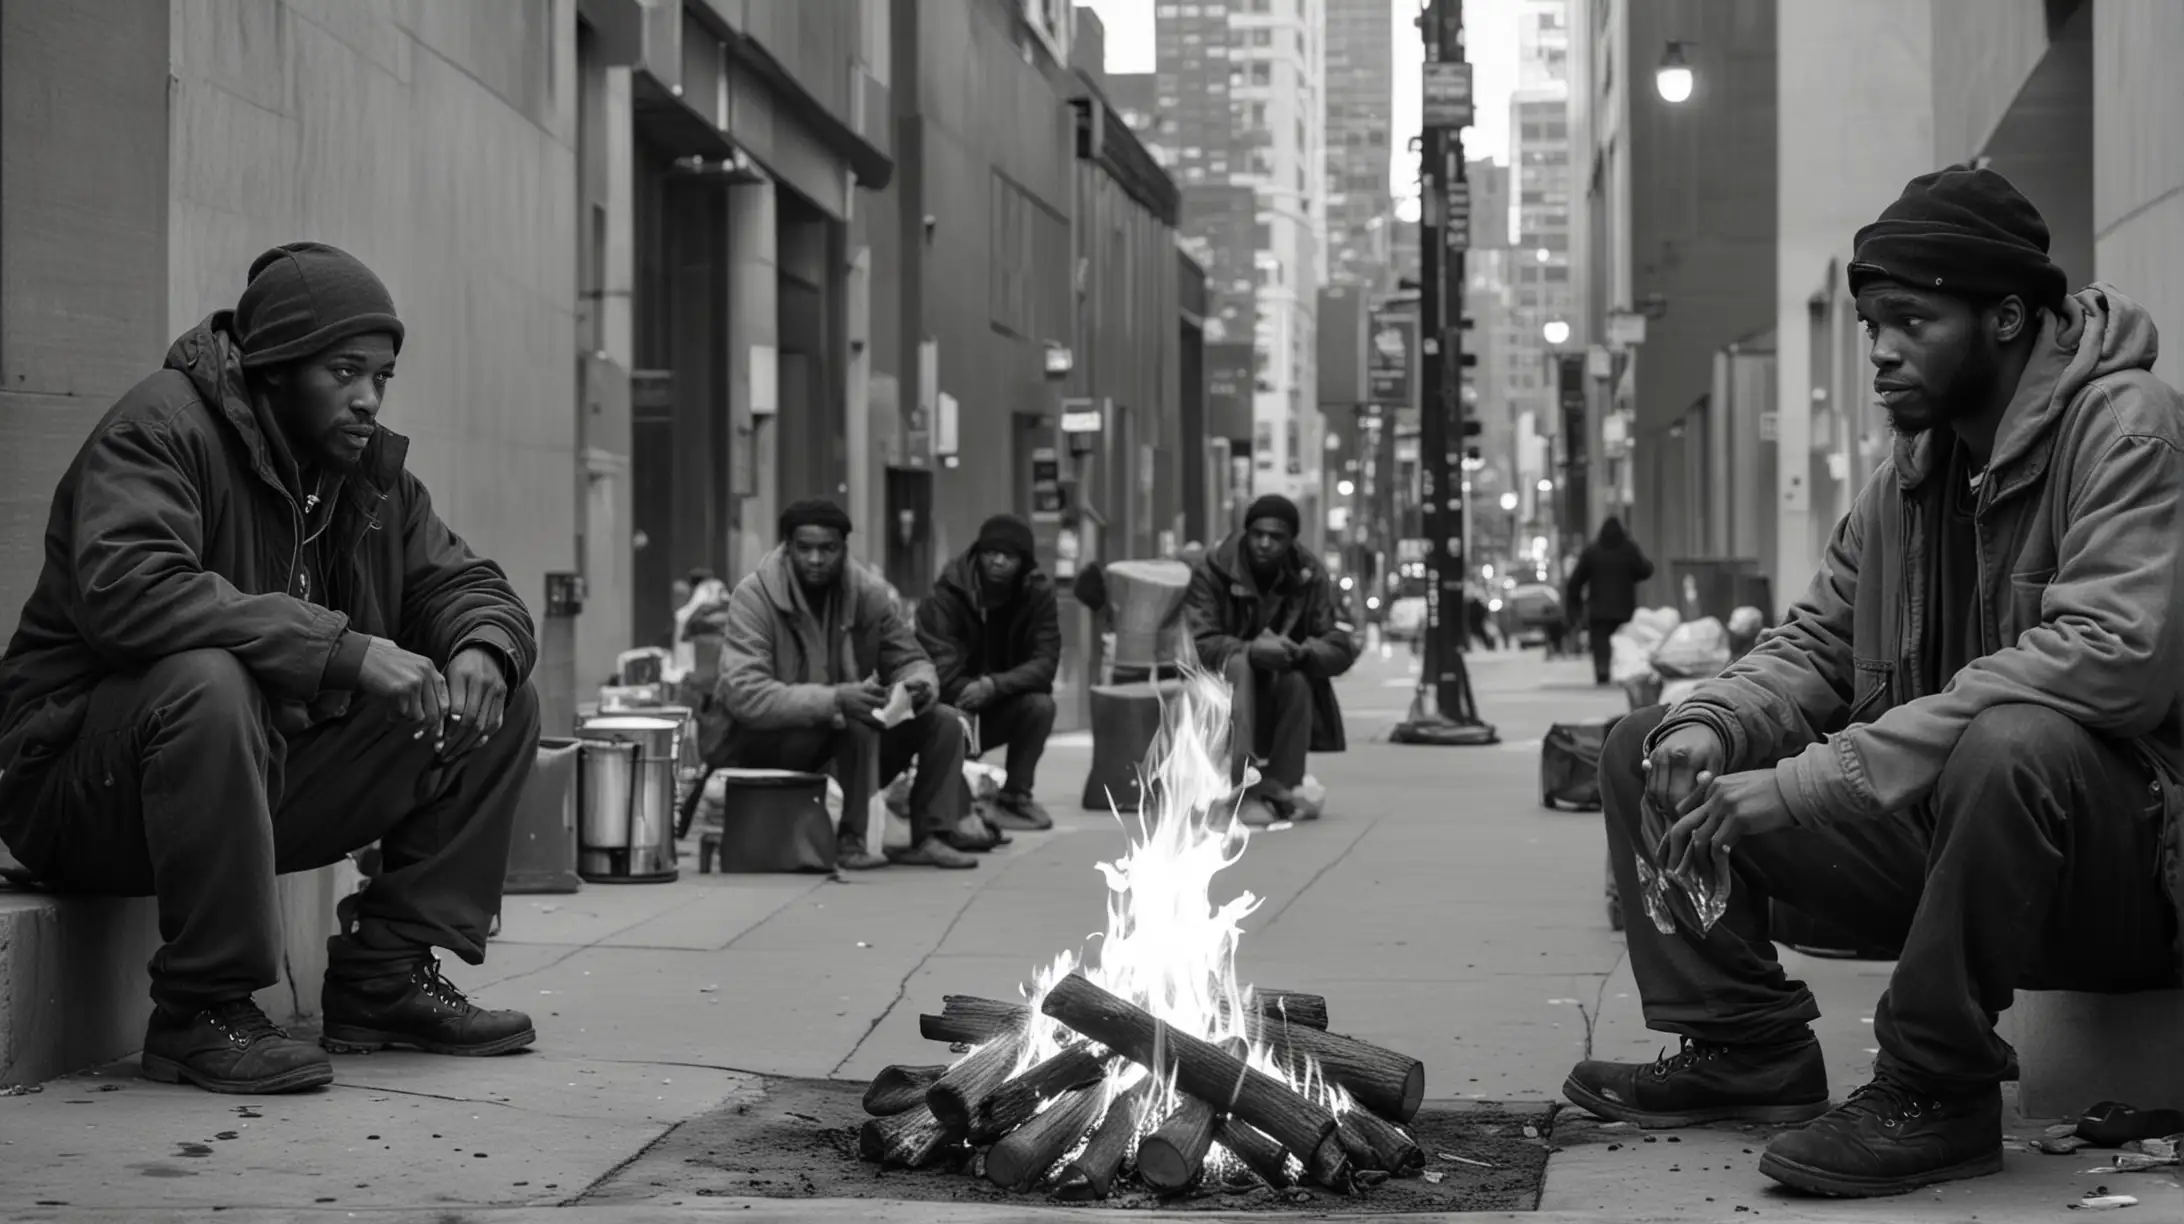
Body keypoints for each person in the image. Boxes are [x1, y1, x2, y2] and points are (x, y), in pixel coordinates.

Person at [1561, 166, 2184, 1199]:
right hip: (1955, 839)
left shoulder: (2126, 427)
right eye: (1869, 323)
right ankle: (1747, 1048)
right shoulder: (1908, 478)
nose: (1882, 349)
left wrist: (1814, 780)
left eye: (1912, 320)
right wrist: (1712, 726)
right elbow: (1813, 648)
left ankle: (1938, 1086)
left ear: (2009, 317)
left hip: (2125, 866)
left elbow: (2110, 659)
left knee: (2018, 738)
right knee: (1645, 744)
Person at [0, 242, 542, 1095]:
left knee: (498, 697)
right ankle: (200, 1012)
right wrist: (341, 649)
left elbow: (462, 581)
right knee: (209, 682)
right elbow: (130, 593)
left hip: (249, 780)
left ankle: (384, 978)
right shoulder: (161, 428)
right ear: (275, 365)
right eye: (345, 370)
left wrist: (483, 645)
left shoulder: (362, 473)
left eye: (382, 376)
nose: (368, 398)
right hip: (80, 786)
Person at [714, 499, 976, 871]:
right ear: (788, 549)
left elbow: (908, 657)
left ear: (844, 549)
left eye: (828, 549)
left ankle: (933, 836)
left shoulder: (868, 594)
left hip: (846, 743)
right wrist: (835, 699)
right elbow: (745, 694)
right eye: (805, 549)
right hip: (768, 740)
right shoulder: (753, 597)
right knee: (852, 720)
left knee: (944, 721)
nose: (816, 559)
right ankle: (851, 841)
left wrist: (918, 683)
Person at [1185, 495, 1360, 823]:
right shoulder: (1213, 570)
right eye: (1257, 534)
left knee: (1297, 680)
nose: (1264, 543)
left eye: (1276, 537)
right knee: (1238, 662)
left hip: (1278, 679)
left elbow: (1337, 643)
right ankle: (1239, 784)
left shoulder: (1309, 573)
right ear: (1246, 532)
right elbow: (1201, 644)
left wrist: (1303, 652)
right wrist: (1252, 651)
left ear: (1291, 541)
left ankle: (1277, 787)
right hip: (1218, 685)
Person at [916, 514, 1062, 831]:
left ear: (1022, 561)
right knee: (942, 718)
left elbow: (1045, 662)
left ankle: (1015, 797)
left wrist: (994, 686)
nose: (997, 562)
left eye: (1007, 556)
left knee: (1040, 706)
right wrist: (971, 691)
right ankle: (947, 797)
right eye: (990, 553)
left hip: (999, 700)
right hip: (953, 705)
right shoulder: (947, 595)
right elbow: (938, 666)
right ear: (978, 553)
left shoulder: (1037, 594)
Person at [1565, 517, 1655, 685]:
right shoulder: (1629, 550)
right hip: (1624, 608)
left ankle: (1602, 670)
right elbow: (1644, 570)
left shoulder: (1592, 552)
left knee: (1600, 641)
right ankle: (1625, 671)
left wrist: (1574, 608)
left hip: (1599, 609)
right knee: (1625, 640)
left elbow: (1575, 581)